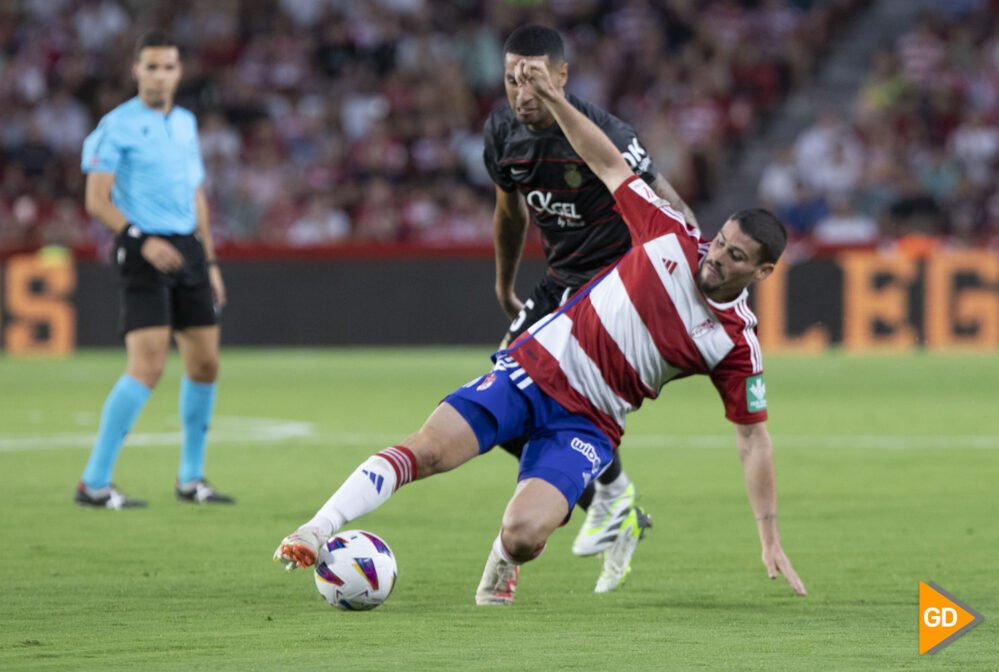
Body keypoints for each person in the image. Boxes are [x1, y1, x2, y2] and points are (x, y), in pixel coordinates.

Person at [274, 56, 806, 605]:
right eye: (720, 241)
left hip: (591, 422)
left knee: (525, 535)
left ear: (762, 272)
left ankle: (507, 559)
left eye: (734, 255)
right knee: (429, 451)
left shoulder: (735, 342)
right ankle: (317, 528)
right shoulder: (668, 233)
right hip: (533, 369)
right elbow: (607, 161)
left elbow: (752, 439)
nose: (715, 256)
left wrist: (769, 537)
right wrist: (554, 98)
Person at [484, 25, 700, 590]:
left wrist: (693, 266)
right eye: (511, 80)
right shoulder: (503, 131)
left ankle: (607, 499)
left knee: (567, 401)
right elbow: (511, 215)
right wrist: (506, 284)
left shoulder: (604, 132)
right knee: (500, 402)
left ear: (561, 76)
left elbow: (664, 199)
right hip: (559, 280)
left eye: (532, 81)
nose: (520, 94)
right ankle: (613, 500)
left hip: (616, 287)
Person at [75, 30, 233, 509]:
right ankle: (94, 483)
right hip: (142, 248)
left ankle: (191, 479)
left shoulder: (184, 123)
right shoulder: (116, 125)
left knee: (205, 364)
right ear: (136, 71)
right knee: (147, 367)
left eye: (168, 67)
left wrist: (207, 260)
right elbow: (96, 201)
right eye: (152, 67)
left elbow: (195, 195)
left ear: (178, 72)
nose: (160, 75)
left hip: (187, 247)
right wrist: (142, 240)